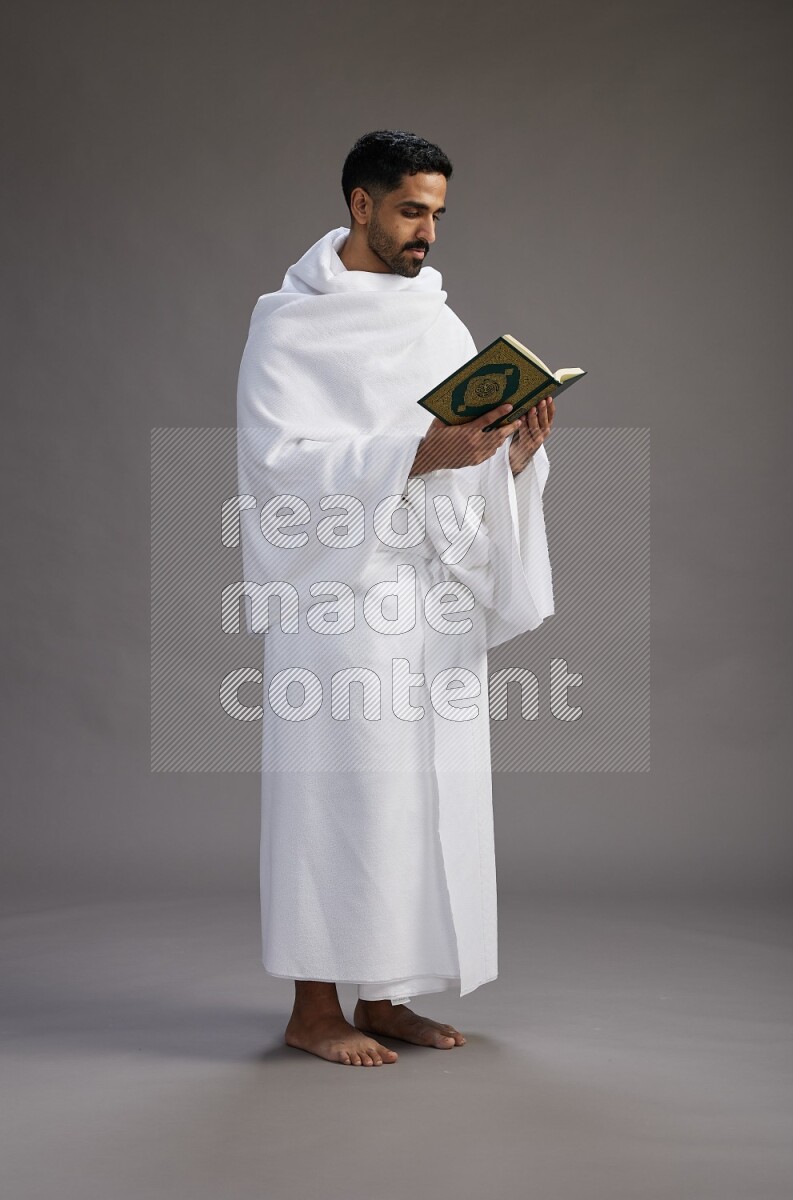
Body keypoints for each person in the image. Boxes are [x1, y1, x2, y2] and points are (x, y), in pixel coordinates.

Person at [236, 130, 555, 1066]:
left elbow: (462, 459)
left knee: (417, 795)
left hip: (429, 591)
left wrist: (513, 459)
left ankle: (381, 993)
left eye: (439, 215)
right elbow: (277, 468)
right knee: (336, 789)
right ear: (360, 204)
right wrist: (419, 453)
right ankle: (311, 1007)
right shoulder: (289, 325)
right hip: (336, 598)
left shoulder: (435, 321)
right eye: (411, 210)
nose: (427, 234)